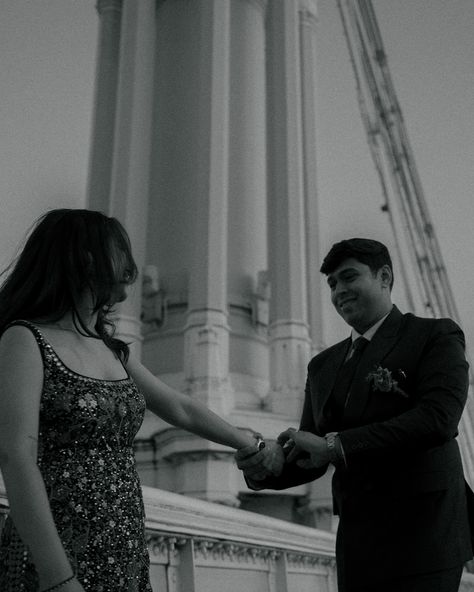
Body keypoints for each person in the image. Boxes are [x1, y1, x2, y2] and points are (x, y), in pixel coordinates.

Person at [0, 208, 270, 592]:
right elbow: (16, 455)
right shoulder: (25, 339)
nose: (129, 263)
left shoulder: (112, 350)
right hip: (56, 545)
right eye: (118, 251)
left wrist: (250, 444)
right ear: (87, 258)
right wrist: (57, 576)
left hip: (121, 542)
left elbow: (181, 408)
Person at [236, 237, 474, 592]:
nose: (339, 291)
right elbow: (310, 455)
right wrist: (262, 467)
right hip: (358, 541)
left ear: (384, 276)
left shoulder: (434, 335)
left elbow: (437, 420)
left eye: (349, 278)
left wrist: (336, 446)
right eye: (332, 284)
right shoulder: (322, 366)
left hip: (427, 533)